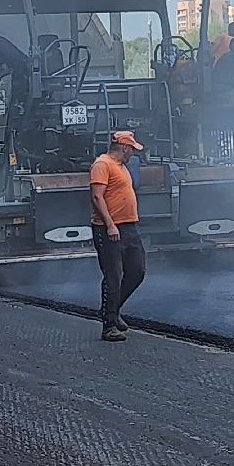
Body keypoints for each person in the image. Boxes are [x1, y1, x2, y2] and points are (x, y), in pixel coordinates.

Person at [90, 130, 147, 342]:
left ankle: (111, 311)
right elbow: (97, 197)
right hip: (110, 229)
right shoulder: (102, 165)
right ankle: (109, 326)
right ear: (123, 147)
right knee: (113, 276)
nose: (133, 153)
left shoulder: (121, 167)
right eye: (131, 149)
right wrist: (110, 225)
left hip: (129, 226)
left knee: (137, 271)